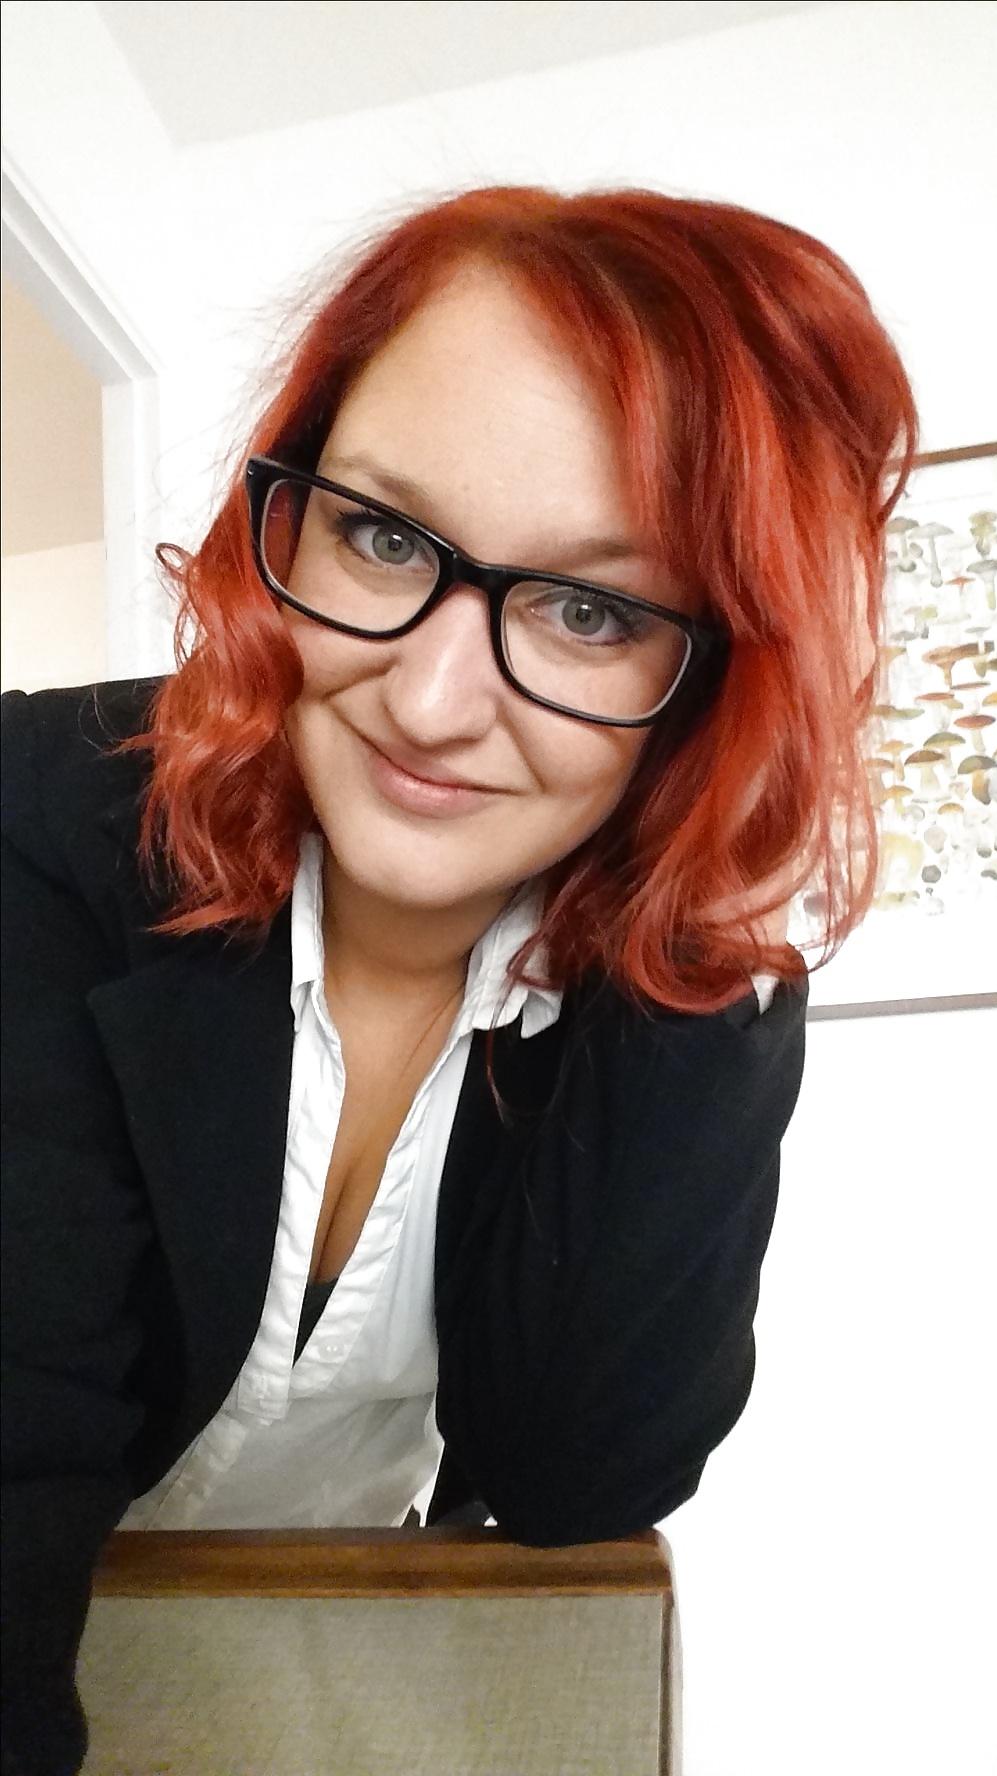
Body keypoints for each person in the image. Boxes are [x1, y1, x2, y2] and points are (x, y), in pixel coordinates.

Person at [1, 182, 917, 1775]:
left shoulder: (650, 969)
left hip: (338, 1680)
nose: (428, 702)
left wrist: (711, 922)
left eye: (590, 611)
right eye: (380, 535)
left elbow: (579, 1469)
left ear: (721, 680)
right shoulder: (42, 832)